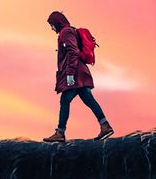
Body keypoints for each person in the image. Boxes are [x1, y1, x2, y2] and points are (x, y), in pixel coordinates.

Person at [43, 11, 114, 143]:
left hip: (75, 74)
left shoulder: (66, 32)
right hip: (80, 73)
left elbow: (73, 52)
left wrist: (69, 74)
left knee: (65, 100)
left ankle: (60, 132)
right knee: (88, 100)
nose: (51, 28)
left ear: (57, 23)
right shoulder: (70, 31)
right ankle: (105, 126)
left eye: (52, 25)